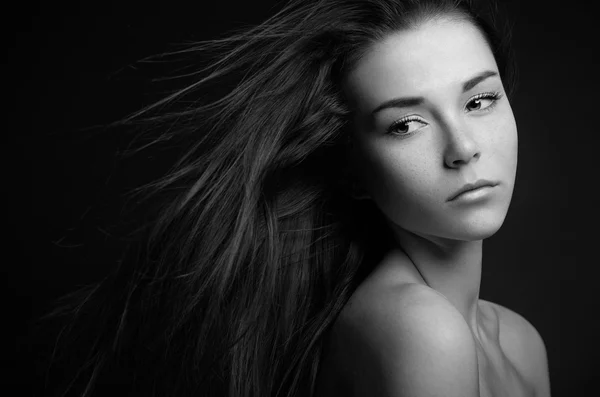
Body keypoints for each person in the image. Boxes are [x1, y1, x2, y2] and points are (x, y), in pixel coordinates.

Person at [44, 0, 551, 396]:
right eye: (405, 124)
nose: (463, 148)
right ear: (352, 168)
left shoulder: (522, 342)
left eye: (480, 100)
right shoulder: (421, 330)